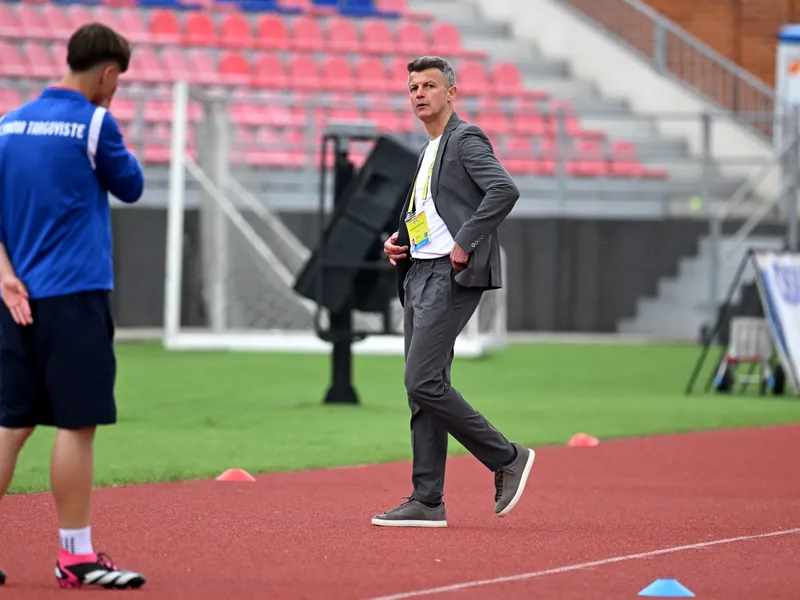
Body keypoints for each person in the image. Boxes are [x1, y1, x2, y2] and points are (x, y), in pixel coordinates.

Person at [0, 23, 146, 589]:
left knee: (11, 424)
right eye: (118, 81)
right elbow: (130, 186)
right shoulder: (93, 123)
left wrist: (6, 278)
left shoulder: (8, 124)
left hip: (15, 298)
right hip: (75, 294)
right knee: (76, 424)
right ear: (108, 73)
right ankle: (75, 556)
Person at [372, 56, 536, 528]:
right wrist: (402, 240)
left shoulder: (465, 138)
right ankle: (427, 500)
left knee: (422, 381)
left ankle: (506, 456)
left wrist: (465, 241)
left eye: (428, 86)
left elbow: (503, 190)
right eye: (413, 88)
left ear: (451, 93)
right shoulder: (428, 150)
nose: (419, 94)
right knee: (423, 391)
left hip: (450, 274)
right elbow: (432, 211)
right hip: (419, 273)